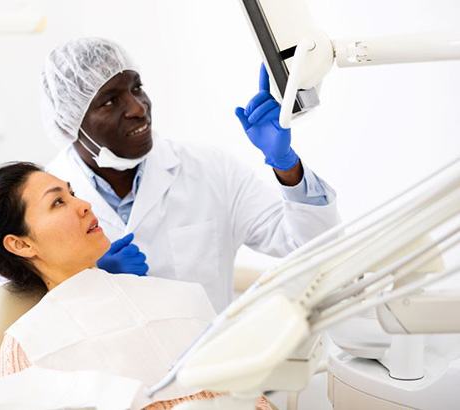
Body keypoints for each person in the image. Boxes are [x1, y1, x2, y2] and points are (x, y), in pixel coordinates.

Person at [0, 162, 272, 410]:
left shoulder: (176, 297)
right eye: (58, 202)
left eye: (72, 193)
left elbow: (244, 394)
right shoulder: (29, 345)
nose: (83, 205)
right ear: (22, 245)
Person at [42, 37, 341, 311]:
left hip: (203, 366)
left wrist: (285, 165)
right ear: (71, 123)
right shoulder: (39, 201)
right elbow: (27, 316)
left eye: (137, 88)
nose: (137, 108)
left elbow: (312, 249)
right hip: (102, 369)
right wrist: (88, 280)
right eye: (109, 101)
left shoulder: (212, 170)